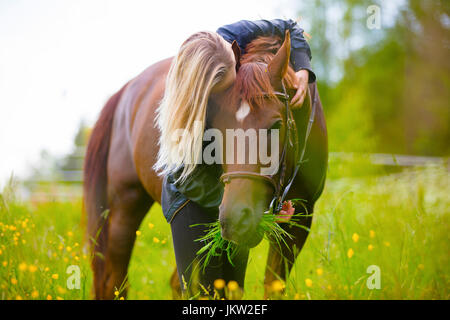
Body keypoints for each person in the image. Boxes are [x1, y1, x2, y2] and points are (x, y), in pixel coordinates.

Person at [154, 18, 315, 297]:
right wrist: (251, 209)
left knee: (233, 294)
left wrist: (302, 69)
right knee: (202, 296)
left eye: (234, 72)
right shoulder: (191, 113)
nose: (235, 87)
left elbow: (290, 26)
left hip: (230, 196)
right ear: (205, 89)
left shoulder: (231, 38)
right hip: (192, 197)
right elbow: (192, 180)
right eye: (225, 89)